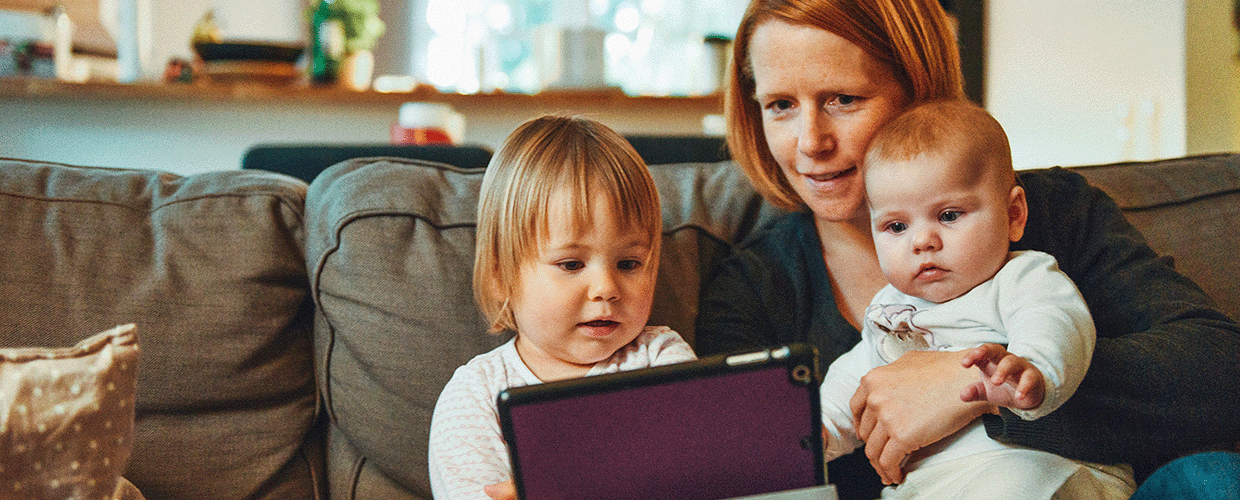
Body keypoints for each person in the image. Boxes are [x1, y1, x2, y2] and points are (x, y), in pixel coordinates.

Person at [695, 0, 1240, 498]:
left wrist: (974, 385)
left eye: (844, 99)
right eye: (781, 105)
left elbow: (1219, 371)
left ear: (919, 89)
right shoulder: (749, 290)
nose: (811, 142)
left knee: (1211, 479)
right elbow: (754, 466)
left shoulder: (1052, 214)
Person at [819, 99, 1133, 498]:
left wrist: (1032, 371)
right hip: (930, 485)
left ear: (1014, 214)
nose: (922, 241)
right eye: (896, 226)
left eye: (949, 215)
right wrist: (819, 429)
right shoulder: (889, 307)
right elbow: (858, 377)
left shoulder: (1021, 277)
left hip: (1034, 466)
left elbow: (1054, 321)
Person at [427, 114, 697, 500]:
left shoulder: (660, 358)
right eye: (571, 265)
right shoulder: (475, 396)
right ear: (500, 276)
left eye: (629, 264)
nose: (606, 288)